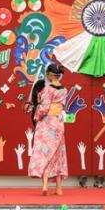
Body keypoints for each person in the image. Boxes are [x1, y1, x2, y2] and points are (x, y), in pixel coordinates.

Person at [28, 64, 68, 196]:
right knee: (57, 154)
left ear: (51, 74)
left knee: (45, 152)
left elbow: (44, 108)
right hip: (58, 123)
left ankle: (45, 186)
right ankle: (59, 188)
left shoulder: (48, 89)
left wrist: (36, 113)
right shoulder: (64, 90)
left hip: (47, 123)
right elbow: (61, 105)